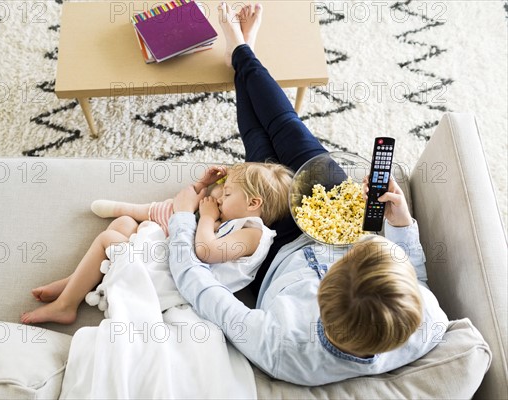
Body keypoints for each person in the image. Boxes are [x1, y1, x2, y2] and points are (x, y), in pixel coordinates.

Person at [167, 2, 449, 386]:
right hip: (342, 221)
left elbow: (196, 284)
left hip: (276, 247)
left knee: (258, 148)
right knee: (287, 126)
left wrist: (184, 218)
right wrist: (400, 225)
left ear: (322, 301)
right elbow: (417, 280)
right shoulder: (428, 320)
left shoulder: (280, 346)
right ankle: (241, 49)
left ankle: (241, 49)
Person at [20, 161, 293, 324]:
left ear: (253, 204)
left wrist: (209, 217)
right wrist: (202, 185)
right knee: (125, 224)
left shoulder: (253, 234)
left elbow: (206, 251)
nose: (218, 199)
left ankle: (66, 305)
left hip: (174, 282)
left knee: (108, 239)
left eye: (227, 194)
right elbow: (186, 207)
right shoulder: (235, 220)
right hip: (171, 259)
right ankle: (74, 282)